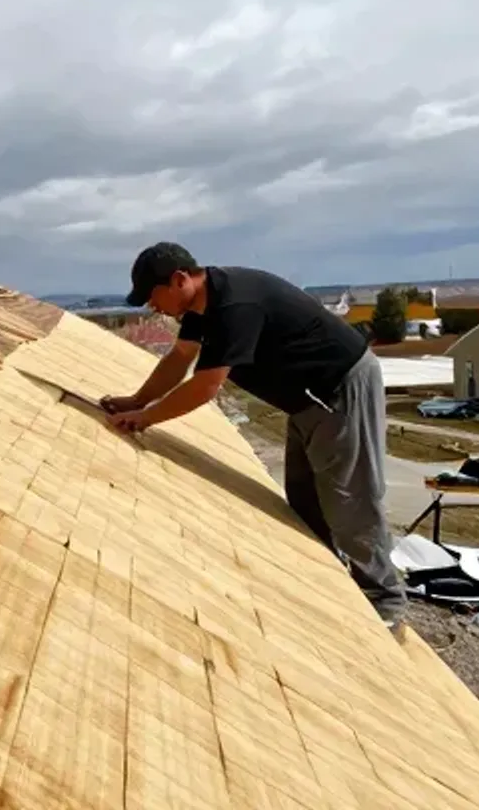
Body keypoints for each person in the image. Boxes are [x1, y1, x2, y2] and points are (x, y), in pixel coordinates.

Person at [100, 242, 407, 627]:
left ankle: (385, 603)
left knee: (349, 499)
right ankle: (336, 585)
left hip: (339, 387)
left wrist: (142, 419)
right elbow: (180, 358)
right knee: (304, 498)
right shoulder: (200, 305)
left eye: (152, 296)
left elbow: (206, 386)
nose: (151, 307)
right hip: (307, 398)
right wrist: (135, 401)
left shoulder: (233, 306)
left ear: (179, 280)